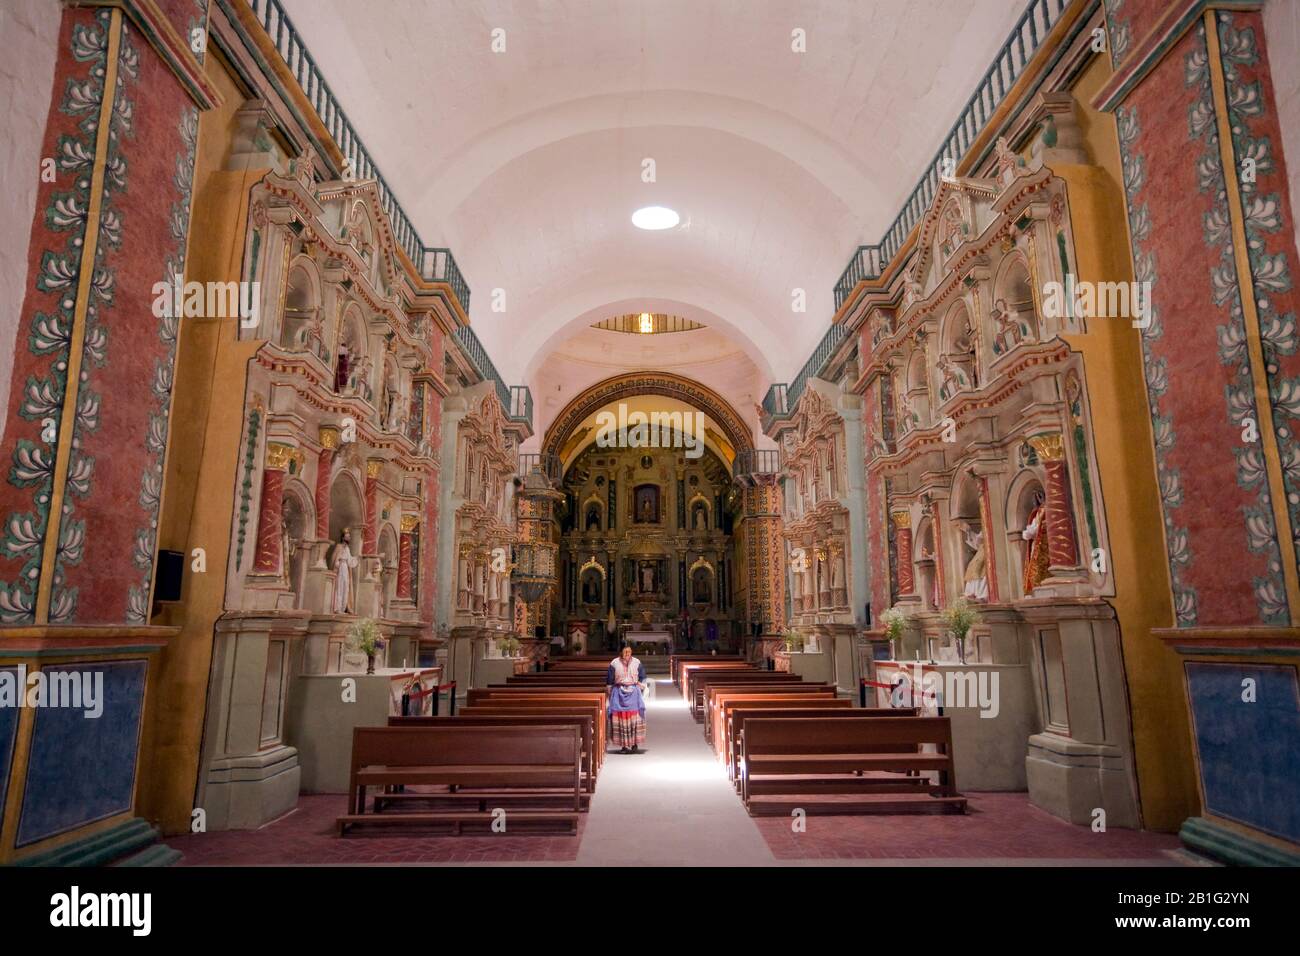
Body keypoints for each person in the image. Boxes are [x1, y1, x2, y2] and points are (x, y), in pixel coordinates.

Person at [606, 644, 647, 753]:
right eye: (625, 652)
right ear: (621, 653)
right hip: (619, 693)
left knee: (635, 718)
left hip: (633, 692)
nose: (627, 654)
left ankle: (634, 744)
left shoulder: (637, 662)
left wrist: (641, 689)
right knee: (621, 719)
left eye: (629, 652)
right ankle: (623, 746)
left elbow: (643, 677)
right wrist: (610, 694)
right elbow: (609, 681)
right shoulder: (614, 663)